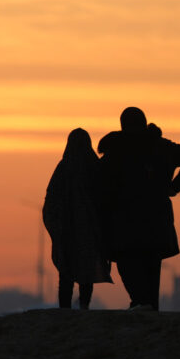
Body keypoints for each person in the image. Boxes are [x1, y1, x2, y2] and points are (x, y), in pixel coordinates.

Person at [98, 107, 180, 311]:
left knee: (128, 264)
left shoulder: (116, 150)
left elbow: (100, 182)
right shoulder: (160, 146)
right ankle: (147, 307)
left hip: (126, 222)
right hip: (154, 220)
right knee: (150, 268)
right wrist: (175, 186)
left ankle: (141, 304)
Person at [43, 128, 112, 308]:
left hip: (67, 230)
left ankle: (65, 309)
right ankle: (84, 307)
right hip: (89, 230)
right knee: (86, 272)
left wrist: (56, 226)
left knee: (66, 273)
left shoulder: (64, 167)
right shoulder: (95, 166)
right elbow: (106, 198)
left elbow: (50, 199)